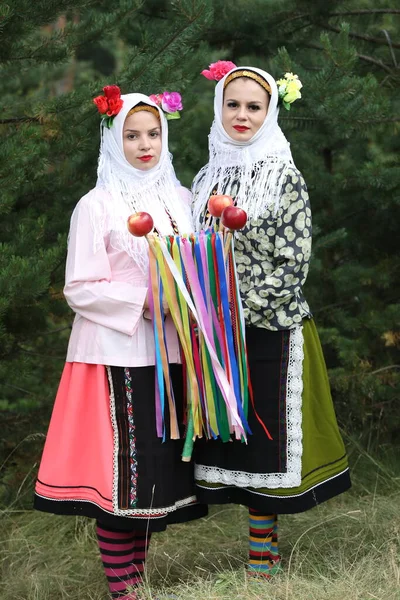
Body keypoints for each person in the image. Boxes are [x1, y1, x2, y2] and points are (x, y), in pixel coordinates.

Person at [34, 87, 207, 600]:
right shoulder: (96, 204)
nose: (144, 145)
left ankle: (136, 583)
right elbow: (80, 288)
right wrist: (146, 300)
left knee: (151, 482)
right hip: (116, 357)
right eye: (131, 135)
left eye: (153, 134)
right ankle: (123, 591)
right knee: (121, 486)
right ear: (113, 138)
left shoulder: (180, 199)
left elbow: (196, 266)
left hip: (171, 357)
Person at [192, 64, 351, 579]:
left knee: (266, 439)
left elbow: (293, 261)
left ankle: (264, 552)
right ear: (219, 108)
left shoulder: (283, 174)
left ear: (270, 112)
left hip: (268, 324)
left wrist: (244, 310)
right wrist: (206, 309)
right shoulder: (206, 176)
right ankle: (252, 543)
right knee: (233, 438)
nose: (242, 115)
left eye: (254, 107)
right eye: (232, 105)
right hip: (216, 329)